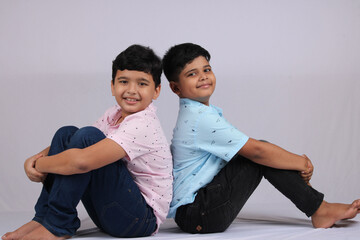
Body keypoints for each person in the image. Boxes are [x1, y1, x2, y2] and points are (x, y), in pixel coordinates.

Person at [162, 42, 360, 234]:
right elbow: (257, 151)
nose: (203, 77)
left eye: (206, 69)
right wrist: (301, 162)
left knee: (259, 153)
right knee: (259, 154)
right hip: (198, 215)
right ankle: (320, 210)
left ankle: (320, 208)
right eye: (192, 74)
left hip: (195, 212)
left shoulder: (198, 113)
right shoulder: (200, 119)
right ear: (176, 88)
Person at [2, 44, 173, 240]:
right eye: (124, 81)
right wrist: (34, 158)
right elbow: (74, 143)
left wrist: (40, 165)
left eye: (142, 84)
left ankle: (57, 224)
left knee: (87, 138)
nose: (131, 90)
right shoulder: (114, 114)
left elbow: (81, 161)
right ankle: (43, 218)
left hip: (139, 220)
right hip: (114, 211)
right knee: (67, 134)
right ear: (112, 86)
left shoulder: (144, 124)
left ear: (156, 91)